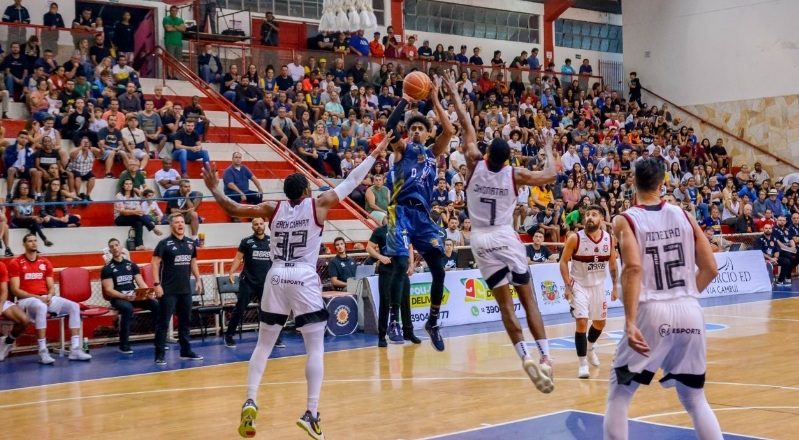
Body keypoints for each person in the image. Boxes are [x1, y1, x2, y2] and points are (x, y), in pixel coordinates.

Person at [203, 129, 393, 439]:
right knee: (314, 348)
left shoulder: (271, 209)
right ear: (305, 191)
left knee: (263, 345)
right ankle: (311, 412)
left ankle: (250, 399)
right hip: (303, 277)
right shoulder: (318, 205)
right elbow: (351, 182)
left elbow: (235, 209)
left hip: (276, 276)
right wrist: (375, 153)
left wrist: (215, 190)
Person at [444, 72, 555, 393]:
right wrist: (547, 147)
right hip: (505, 236)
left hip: (480, 239)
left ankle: (523, 356)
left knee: (505, 305)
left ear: (487, 154)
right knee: (527, 296)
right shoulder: (515, 173)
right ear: (507, 159)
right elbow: (549, 175)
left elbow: (466, 125)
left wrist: (453, 91)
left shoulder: (474, 161)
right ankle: (545, 357)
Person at [604, 157, 723, 440]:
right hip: (689, 309)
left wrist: (631, 321)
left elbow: (632, 268)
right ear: (663, 183)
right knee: (696, 400)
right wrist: (685, 295)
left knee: (619, 394)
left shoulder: (626, 219)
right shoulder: (684, 215)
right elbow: (711, 268)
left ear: (633, 181)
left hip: (651, 309)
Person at [382, 79, 453, 351]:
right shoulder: (402, 150)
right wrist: (404, 102)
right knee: (400, 265)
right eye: (412, 128)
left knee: (439, 269)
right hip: (399, 211)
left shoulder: (434, 153)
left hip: (423, 217)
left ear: (427, 133)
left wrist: (435, 99)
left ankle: (433, 322)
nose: (415, 131)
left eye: (420, 128)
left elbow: (449, 130)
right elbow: (390, 128)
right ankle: (393, 321)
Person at [10, 233, 92, 364]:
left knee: (74, 306)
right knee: (41, 306)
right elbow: (16, 290)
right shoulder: (16, 262)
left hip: (44, 298)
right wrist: (38, 297)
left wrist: (49, 295)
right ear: (24, 244)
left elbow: (51, 286)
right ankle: (43, 352)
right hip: (26, 301)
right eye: (30, 241)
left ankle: (75, 349)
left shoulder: (45, 262)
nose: (34, 243)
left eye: (35, 240)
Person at [559, 204, 619, 379]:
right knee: (582, 322)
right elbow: (563, 262)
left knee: (600, 324)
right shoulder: (574, 239)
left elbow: (613, 265)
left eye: (594, 215)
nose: (589, 218)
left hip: (598, 286)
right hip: (579, 285)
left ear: (601, 219)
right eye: (587, 215)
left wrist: (615, 286)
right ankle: (582, 363)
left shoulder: (609, 239)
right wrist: (568, 286)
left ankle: (591, 346)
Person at [151, 215, 204, 365]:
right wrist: (156, 284)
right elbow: (154, 263)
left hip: (185, 290)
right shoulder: (164, 243)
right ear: (171, 225)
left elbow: (193, 262)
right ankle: (159, 354)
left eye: (182, 222)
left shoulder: (190, 243)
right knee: (163, 322)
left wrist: (198, 279)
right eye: (177, 222)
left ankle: (185, 351)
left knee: (185, 322)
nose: (180, 224)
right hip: (168, 290)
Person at [224, 218, 283, 348]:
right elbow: (238, 258)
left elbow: (278, 259)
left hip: (266, 283)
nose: (259, 226)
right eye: (256, 224)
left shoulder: (271, 241)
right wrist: (231, 272)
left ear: (264, 226)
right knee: (239, 309)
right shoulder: (246, 242)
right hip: (248, 282)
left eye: (261, 224)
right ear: (252, 227)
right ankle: (228, 336)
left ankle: (273, 338)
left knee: (269, 310)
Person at [366, 217, 419, 347]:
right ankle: (382, 336)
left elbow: (410, 247)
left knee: (405, 301)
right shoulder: (380, 231)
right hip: (387, 271)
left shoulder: (405, 231)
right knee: (385, 302)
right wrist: (380, 257)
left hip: (402, 271)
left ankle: (408, 332)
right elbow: (369, 247)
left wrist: (411, 265)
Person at [101, 238, 159, 354]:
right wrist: (124, 297)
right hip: (118, 298)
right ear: (110, 251)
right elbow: (109, 290)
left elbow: (141, 282)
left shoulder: (131, 265)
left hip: (133, 296)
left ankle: (159, 341)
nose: (115, 248)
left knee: (156, 305)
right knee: (127, 308)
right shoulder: (107, 269)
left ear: (121, 247)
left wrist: (148, 293)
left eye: (117, 245)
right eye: (112, 247)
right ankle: (124, 345)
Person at [115, 178, 163, 250]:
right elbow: (122, 212)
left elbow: (139, 210)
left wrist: (130, 210)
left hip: (133, 217)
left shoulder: (135, 196)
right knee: (138, 217)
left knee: (139, 222)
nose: (129, 185)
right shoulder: (119, 196)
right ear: (123, 186)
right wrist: (133, 211)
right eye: (126, 184)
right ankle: (152, 227)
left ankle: (139, 245)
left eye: (130, 184)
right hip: (120, 218)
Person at [0, 260, 32, 361]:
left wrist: (0, 305)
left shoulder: (1, 266)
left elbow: (4, 291)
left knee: (25, 320)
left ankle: (7, 341)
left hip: (1, 301)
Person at [162, 5, 186, 77]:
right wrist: (178, 27)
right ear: (170, 11)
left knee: (177, 60)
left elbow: (183, 29)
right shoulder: (166, 18)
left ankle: (175, 75)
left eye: (175, 11)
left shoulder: (180, 20)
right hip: (170, 42)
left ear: (177, 11)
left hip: (178, 43)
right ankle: (169, 75)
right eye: (172, 10)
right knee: (170, 59)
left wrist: (173, 26)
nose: (174, 12)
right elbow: (168, 29)